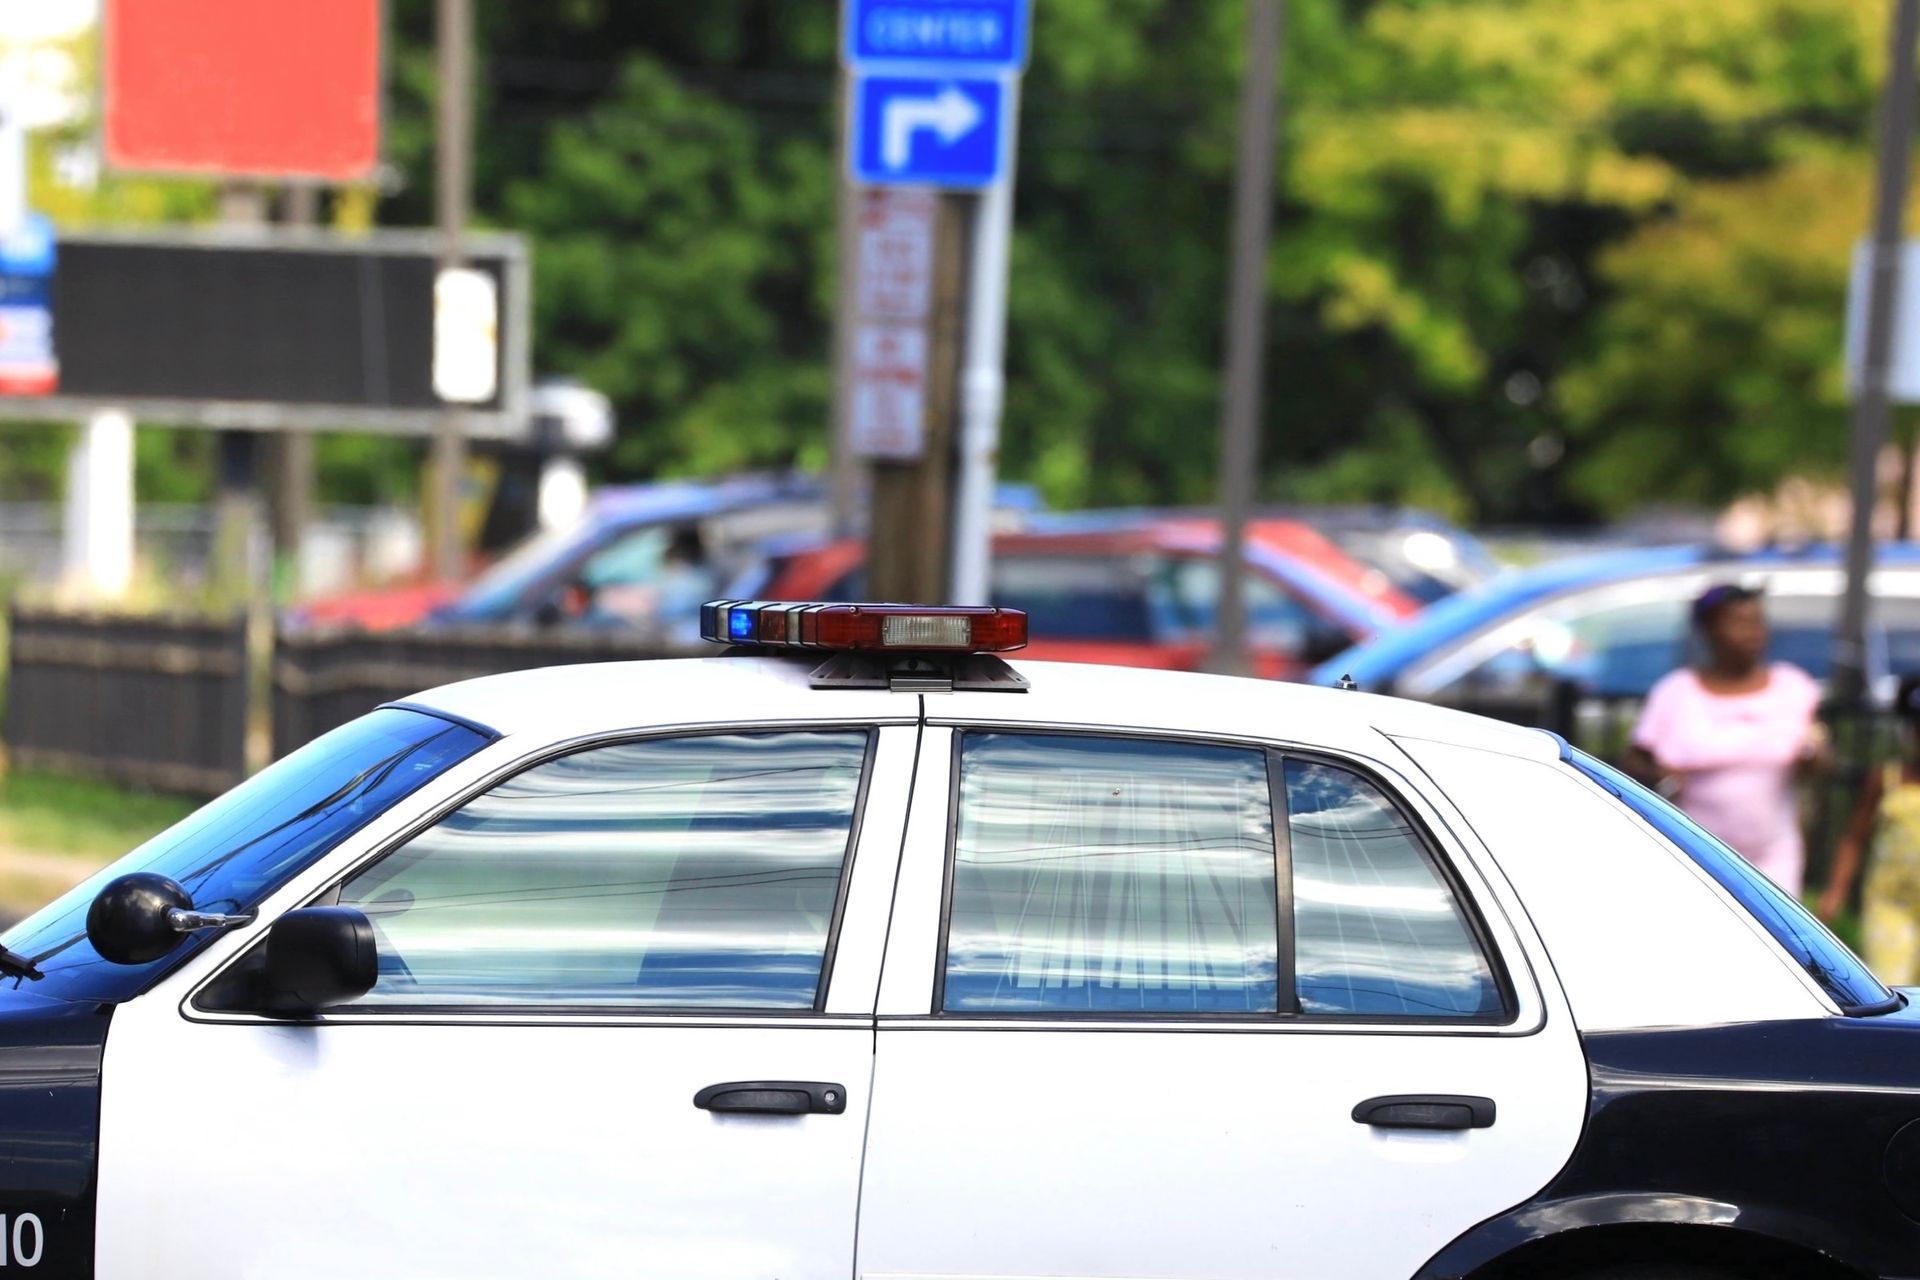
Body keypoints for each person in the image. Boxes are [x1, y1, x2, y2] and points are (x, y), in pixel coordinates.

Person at [1624, 583, 1825, 894]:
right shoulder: (1676, 692)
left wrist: (1815, 753)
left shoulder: (1792, 687)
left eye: (1757, 622)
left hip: (1772, 861)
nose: (1753, 633)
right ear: (1709, 630)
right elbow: (1635, 761)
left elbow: (1817, 765)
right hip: (1692, 855)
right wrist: (1660, 776)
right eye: (1740, 623)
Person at [1820, 675, 1920, 983]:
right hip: (1891, 905)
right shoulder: (1887, 778)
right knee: (1894, 984)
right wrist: (1835, 892)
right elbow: (1855, 837)